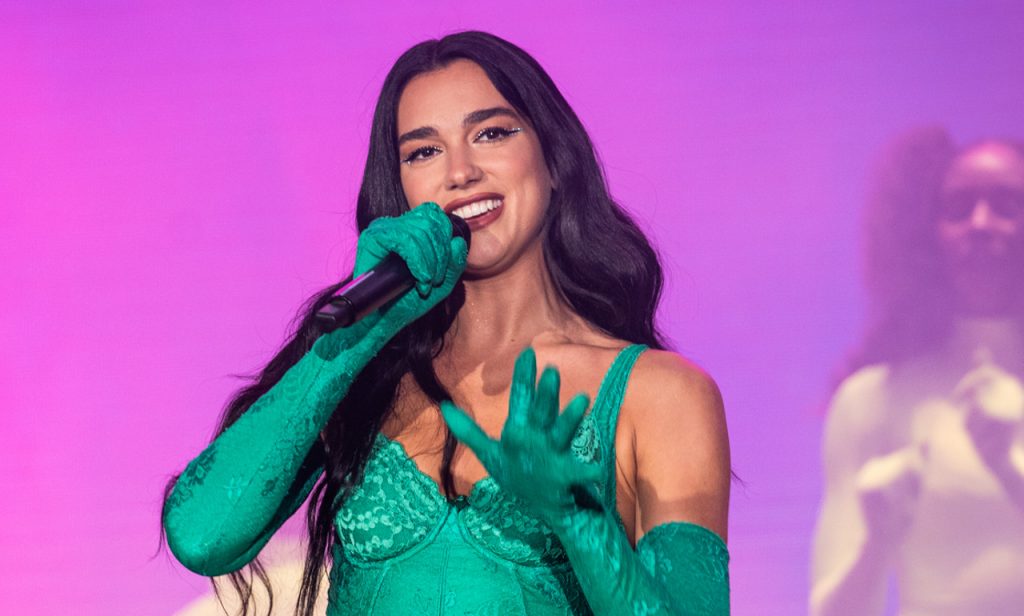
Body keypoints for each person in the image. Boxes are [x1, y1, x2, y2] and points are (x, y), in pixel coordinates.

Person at [163, 31, 730, 616]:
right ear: (402, 190)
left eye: (492, 133)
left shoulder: (663, 394)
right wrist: (362, 334)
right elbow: (202, 537)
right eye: (423, 152)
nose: (460, 172)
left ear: (555, 161)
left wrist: (577, 519)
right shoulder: (363, 365)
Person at [811, 127, 1024, 615]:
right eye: (959, 208)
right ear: (925, 234)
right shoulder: (872, 400)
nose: (981, 223)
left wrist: (1009, 470)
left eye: (1007, 205)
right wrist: (876, 542)